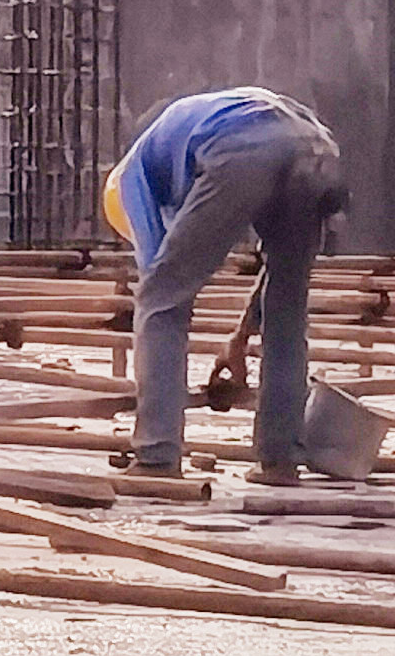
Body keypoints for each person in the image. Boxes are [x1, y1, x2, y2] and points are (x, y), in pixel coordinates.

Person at [107, 85, 347, 485]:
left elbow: (160, 282)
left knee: (159, 302)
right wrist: (241, 336)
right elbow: (274, 272)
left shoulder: (132, 181)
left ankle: (155, 457)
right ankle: (280, 459)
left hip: (244, 146)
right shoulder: (181, 134)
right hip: (318, 148)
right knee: (287, 307)